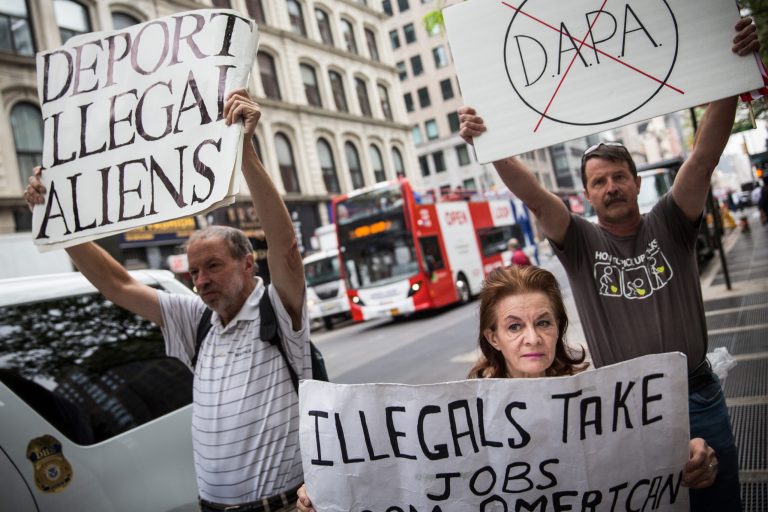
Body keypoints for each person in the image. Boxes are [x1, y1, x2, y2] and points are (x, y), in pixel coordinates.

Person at [457, 18, 759, 511]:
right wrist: (489, 144)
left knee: (718, 502)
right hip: (626, 407)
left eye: (619, 176)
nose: (610, 187)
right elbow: (535, 198)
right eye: (598, 181)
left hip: (697, 395)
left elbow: (703, 158)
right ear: (587, 193)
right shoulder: (579, 241)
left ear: (637, 183)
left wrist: (730, 77)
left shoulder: (672, 221)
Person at [25, 90, 308, 512]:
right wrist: (59, 220)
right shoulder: (196, 321)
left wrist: (244, 150)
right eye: (194, 272)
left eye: (213, 266)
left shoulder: (279, 310)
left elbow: (285, 249)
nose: (201, 280)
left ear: (249, 264)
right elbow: (117, 285)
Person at [296, 266, 719, 512]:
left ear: (558, 329)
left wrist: (690, 457)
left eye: (543, 322)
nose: (531, 338)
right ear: (494, 338)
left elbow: (645, 464)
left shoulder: (605, 403)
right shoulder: (460, 418)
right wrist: (332, 491)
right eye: (514, 326)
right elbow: (409, 483)